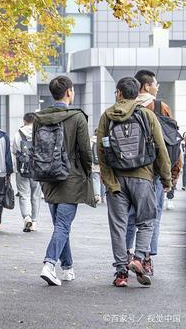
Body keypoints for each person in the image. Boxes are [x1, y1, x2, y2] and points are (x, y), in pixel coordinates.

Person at [96, 76, 171, 287]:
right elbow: (160, 149)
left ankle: (121, 273)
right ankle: (138, 258)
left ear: (119, 92)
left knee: (118, 226)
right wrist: (166, 179)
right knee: (146, 222)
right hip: (143, 178)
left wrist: (109, 182)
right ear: (137, 93)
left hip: (116, 179)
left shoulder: (107, 116)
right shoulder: (147, 115)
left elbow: (101, 153)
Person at [34, 76, 94, 286]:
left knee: (60, 225)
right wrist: (88, 172)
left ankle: (67, 268)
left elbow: (36, 149)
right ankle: (49, 264)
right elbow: (85, 150)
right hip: (71, 177)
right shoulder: (77, 117)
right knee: (62, 225)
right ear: (69, 92)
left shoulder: (40, 117)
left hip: (48, 177)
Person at [124, 69, 182, 275]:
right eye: (155, 84)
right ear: (147, 86)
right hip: (155, 172)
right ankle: (146, 258)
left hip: (128, 171)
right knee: (152, 217)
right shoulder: (159, 107)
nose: (157, 87)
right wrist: (172, 175)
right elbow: (171, 142)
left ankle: (126, 256)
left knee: (130, 216)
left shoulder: (124, 107)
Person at [12, 113, 41, 232]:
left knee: (24, 194)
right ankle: (34, 221)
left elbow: (14, 150)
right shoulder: (39, 132)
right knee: (35, 195)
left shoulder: (19, 133)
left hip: (22, 168)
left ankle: (26, 217)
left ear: (24, 121)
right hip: (37, 168)